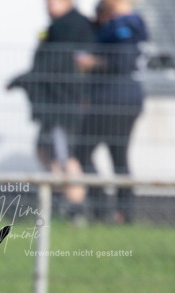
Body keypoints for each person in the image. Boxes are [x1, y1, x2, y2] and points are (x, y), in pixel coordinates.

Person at [8, 0, 96, 224]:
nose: (49, 4)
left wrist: (24, 79)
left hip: (63, 104)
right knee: (45, 152)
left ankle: (77, 210)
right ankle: (61, 201)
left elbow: (57, 65)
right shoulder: (56, 26)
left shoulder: (74, 25)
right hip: (52, 105)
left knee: (65, 156)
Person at [74, 0, 148, 224]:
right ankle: (122, 214)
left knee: (82, 152)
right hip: (117, 99)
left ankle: (104, 209)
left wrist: (92, 62)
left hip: (115, 100)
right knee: (117, 157)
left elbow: (123, 60)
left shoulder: (125, 25)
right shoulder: (122, 23)